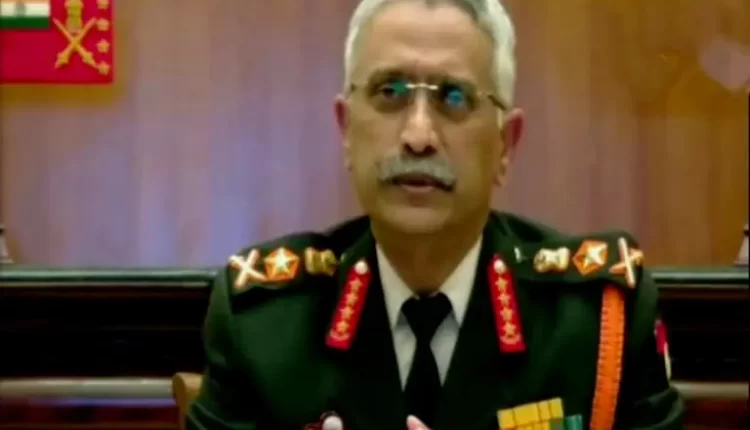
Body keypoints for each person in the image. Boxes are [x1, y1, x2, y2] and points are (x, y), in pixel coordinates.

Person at [186, 0, 685, 429]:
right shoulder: (264, 326)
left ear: (505, 145)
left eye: (454, 97)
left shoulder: (595, 322)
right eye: (389, 93)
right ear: (346, 130)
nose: (418, 136)